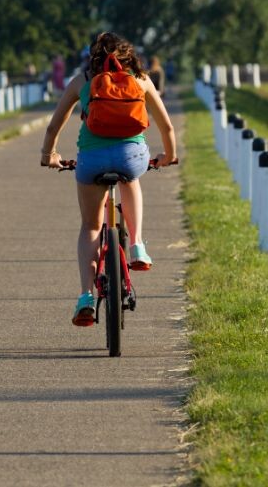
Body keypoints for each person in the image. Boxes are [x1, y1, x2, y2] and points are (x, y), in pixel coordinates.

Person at [39, 32, 176, 326]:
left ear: (93, 55)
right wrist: (168, 155)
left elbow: (53, 127)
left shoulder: (82, 80)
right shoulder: (140, 78)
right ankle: (137, 244)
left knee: (90, 226)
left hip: (91, 160)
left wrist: (48, 155)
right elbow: (167, 126)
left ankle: (86, 296)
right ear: (128, 54)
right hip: (131, 157)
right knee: (131, 178)